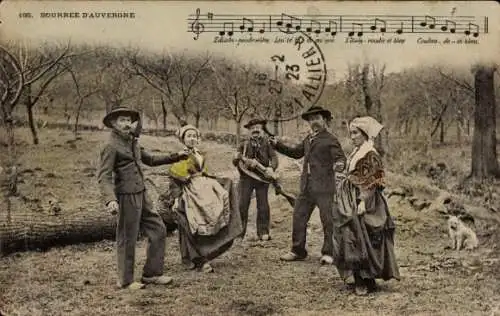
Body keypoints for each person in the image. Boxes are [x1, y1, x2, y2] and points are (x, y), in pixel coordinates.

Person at [97, 106, 190, 290]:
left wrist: (176, 157)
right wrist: (110, 199)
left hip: (142, 193)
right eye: (121, 120)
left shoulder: (133, 142)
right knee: (127, 237)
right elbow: (104, 176)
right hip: (126, 196)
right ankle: (125, 280)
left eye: (128, 120)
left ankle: (152, 274)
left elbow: (151, 159)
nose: (126, 124)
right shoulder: (110, 146)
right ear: (114, 124)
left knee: (159, 229)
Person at [269, 105, 346, 265]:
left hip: (325, 187)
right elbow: (296, 153)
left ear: (324, 120)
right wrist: (277, 145)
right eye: (311, 119)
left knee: (328, 220)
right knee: (298, 216)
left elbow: (340, 158)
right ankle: (297, 251)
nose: (314, 122)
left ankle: (328, 253)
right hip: (306, 187)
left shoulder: (331, 140)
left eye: (317, 118)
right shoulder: (308, 139)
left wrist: (339, 164)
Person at [162, 123, 243, 273]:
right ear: (183, 139)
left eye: (194, 136)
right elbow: (174, 178)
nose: (192, 139)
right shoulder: (180, 155)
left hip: (203, 189)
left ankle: (205, 253)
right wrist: (175, 197)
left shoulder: (199, 154)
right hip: (188, 191)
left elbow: (204, 173)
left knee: (210, 215)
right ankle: (194, 259)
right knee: (189, 224)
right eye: (188, 136)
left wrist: (222, 182)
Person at [334, 116, 400, 296]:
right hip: (350, 198)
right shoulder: (357, 151)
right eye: (351, 133)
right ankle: (359, 277)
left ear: (364, 134)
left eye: (355, 133)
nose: (352, 136)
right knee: (351, 236)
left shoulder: (370, 154)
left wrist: (363, 200)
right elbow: (352, 174)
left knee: (366, 238)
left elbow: (374, 180)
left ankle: (366, 279)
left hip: (366, 201)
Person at [232, 118, 278, 241]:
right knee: (242, 205)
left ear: (262, 130)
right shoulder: (243, 144)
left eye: (258, 128)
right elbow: (235, 160)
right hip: (246, 178)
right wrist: (236, 158)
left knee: (263, 206)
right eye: (253, 128)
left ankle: (263, 232)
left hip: (262, 179)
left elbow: (274, 158)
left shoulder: (267, 143)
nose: (255, 130)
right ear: (248, 131)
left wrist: (271, 168)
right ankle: (239, 234)